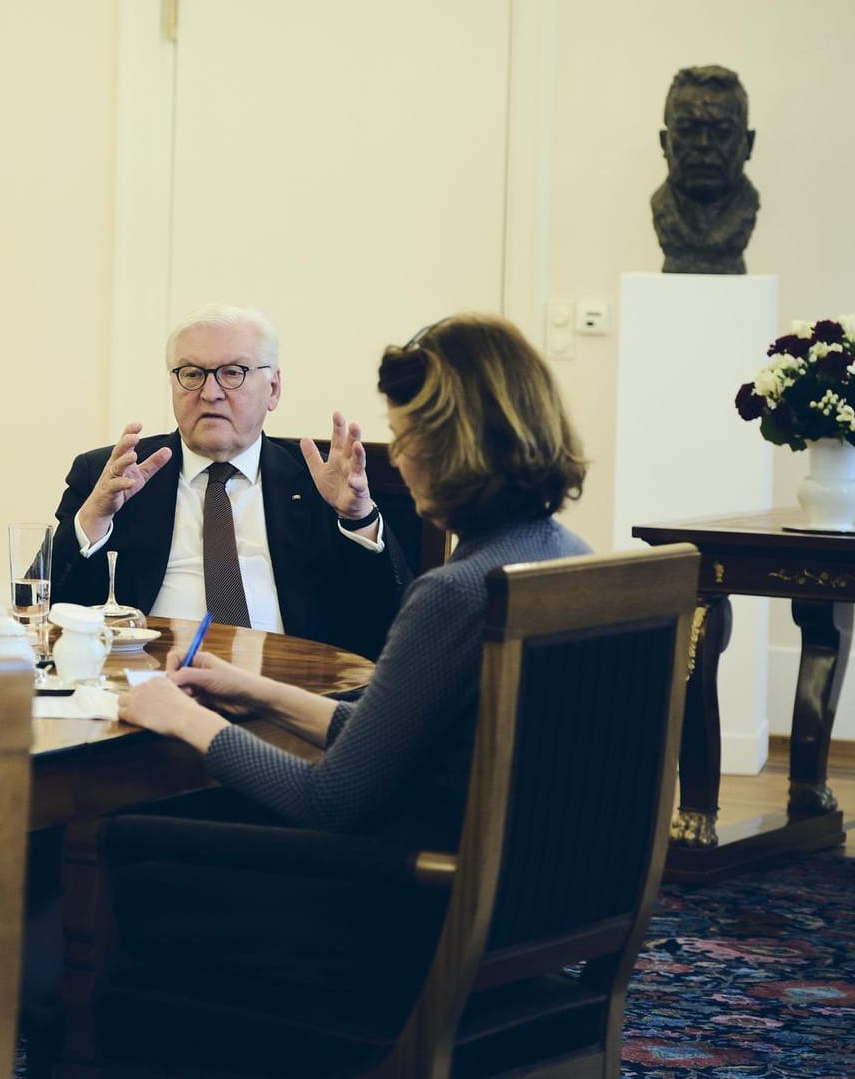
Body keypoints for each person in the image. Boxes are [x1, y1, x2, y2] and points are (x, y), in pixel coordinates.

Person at [112, 314, 589, 1001]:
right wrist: (261, 694)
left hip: (398, 913)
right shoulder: (558, 555)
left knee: (125, 851)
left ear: (448, 446)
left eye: (406, 435)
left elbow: (329, 796)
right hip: (521, 907)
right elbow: (394, 738)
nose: (399, 456)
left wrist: (184, 719)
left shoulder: (454, 593)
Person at [52, 303, 410, 661]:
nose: (210, 393)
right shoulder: (114, 475)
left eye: (233, 372)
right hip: (147, 684)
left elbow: (391, 624)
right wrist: (95, 517)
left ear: (273, 388)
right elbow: (48, 610)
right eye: (191, 374)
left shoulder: (320, 480)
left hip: (288, 689)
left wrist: (359, 518)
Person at [653, 65, 757, 274]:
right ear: (665, 142)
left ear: (748, 144)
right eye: (687, 129)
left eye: (723, 132)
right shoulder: (662, 208)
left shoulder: (746, 207)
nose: (703, 144)